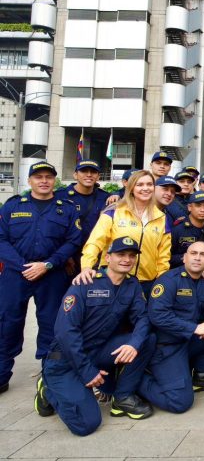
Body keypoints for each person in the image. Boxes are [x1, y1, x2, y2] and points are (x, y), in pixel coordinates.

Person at [36, 237, 154, 435]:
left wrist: (133, 344)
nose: (127, 259)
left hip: (98, 351)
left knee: (147, 340)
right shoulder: (86, 283)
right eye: (121, 254)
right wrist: (87, 372)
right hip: (65, 359)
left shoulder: (131, 284)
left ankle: (122, 397)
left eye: (131, 256)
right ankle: (47, 389)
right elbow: (65, 332)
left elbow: (142, 318)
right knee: (86, 424)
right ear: (107, 257)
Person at [0, 161, 81, 393]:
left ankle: (50, 376)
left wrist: (47, 264)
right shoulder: (13, 205)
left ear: (54, 180)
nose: (44, 181)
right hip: (15, 275)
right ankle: (2, 374)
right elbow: (1, 239)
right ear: (30, 181)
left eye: (48, 177)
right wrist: (24, 266)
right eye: (38, 177)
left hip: (51, 275)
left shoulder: (66, 208)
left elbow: (73, 241)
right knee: (7, 323)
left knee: (51, 325)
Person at [138, 242, 204, 414]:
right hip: (167, 347)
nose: (197, 258)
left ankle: (201, 375)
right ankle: (138, 380)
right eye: (193, 253)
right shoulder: (169, 280)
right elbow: (158, 315)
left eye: (203, 254)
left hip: (189, 342)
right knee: (180, 402)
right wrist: (195, 328)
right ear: (185, 257)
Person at [78, 170, 172, 298]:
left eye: (149, 184)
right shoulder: (113, 212)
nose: (145, 188)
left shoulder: (161, 218)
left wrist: (162, 280)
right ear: (131, 188)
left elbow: (163, 255)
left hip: (147, 283)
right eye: (140, 184)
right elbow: (95, 242)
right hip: (113, 279)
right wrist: (87, 266)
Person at [54, 160, 110, 272]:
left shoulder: (106, 197)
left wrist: (116, 195)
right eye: (84, 171)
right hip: (66, 256)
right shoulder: (59, 196)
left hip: (94, 256)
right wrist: (65, 256)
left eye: (93, 172)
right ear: (75, 175)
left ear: (98, 176)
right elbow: (53, 229)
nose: (89, 175)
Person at [170, 191, 204, 267]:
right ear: (189, 207)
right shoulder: (178, 228)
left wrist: (203, 259)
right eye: (198, 205)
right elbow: (168, 256)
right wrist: (188, 258)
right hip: (182, 268)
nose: (202, 210)